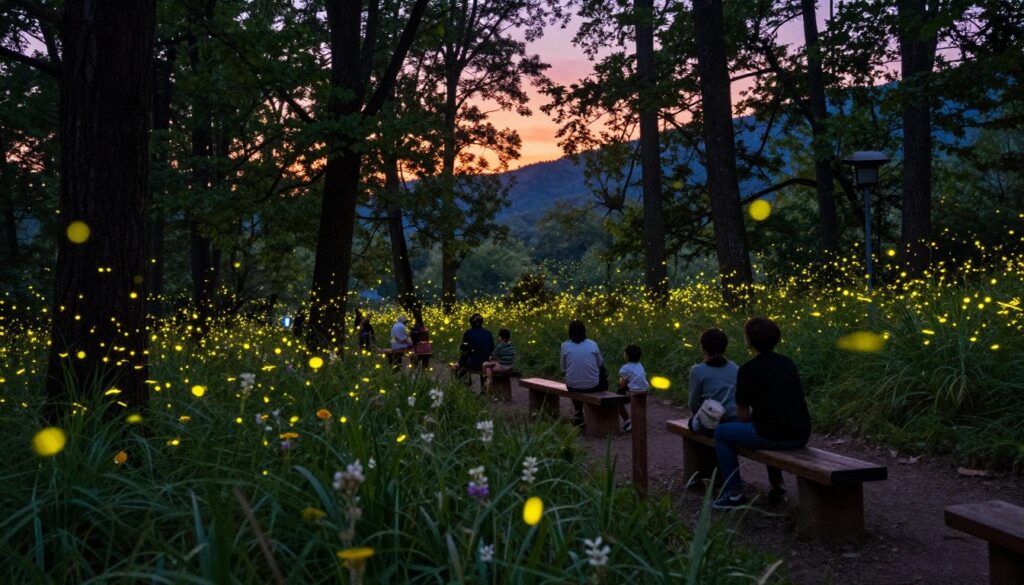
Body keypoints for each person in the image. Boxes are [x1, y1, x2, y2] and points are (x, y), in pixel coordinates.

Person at [713, 317, 811, 509]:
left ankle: (734, 493)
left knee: (722, 433)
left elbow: (742, 414)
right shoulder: (787, 363)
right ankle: (778, 484)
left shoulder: (748, 370)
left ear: (748, 340)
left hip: (772, 435)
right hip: (801, 434)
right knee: (764, 422)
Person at [687, 328, 739, 436]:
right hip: (734, 421)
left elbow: (692, 403)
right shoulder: (735, 368)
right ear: (725, 347)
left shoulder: (697, 370)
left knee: (691, 423)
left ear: (702, 347)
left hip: (712, 422)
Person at [560, 320, 605, 428]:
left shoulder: (564, 346)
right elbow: (601, 363)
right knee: (601, 372)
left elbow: (563, 368)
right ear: (584, 331)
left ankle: (578, 410)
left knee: (574, 381)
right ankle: (595, 410)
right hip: (593, 385)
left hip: (573, 386)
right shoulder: (592, 344)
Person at [615, 344, 649, 432]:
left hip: (633, 390)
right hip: (644, 388)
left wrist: (619, 383)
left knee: (617, 399)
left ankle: (627, 420)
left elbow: (622, 383)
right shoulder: (640, 365)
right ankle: (638, 421)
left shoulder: (625, 368)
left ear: (626, 356)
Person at [458, 314, 494, 386]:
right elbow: (492, 349)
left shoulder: (468, 333)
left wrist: (460, 362)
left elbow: (464, 349)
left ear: (471, 322)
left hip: (474, 363)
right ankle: (482, 386)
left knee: (463, 363)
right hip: (486, 362)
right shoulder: (488, 333)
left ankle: (462, 384)